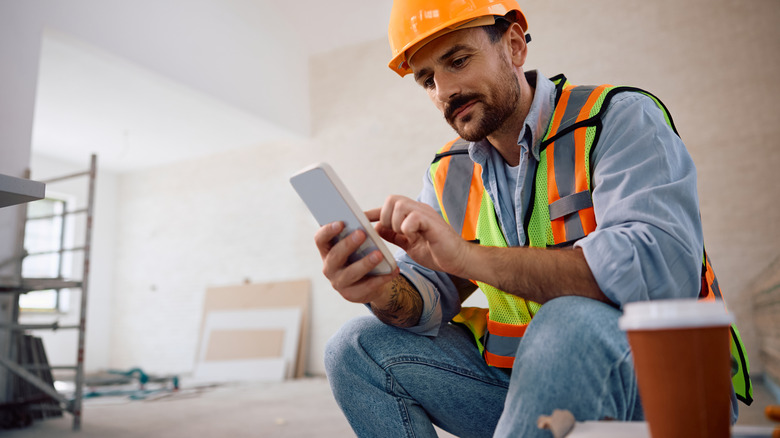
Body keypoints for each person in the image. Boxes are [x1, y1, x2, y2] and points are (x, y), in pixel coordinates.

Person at [315, 1, 751, 436]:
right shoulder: (450, 171)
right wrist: (381, 289)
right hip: (529, 393)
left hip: (660, 391)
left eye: (458, 61)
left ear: (515, 45)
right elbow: (428, 296)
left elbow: (658, 272)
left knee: (568, 321)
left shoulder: (616, 119)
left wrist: (468, 258)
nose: (443, 90)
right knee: (353, 347)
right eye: (427, 79)